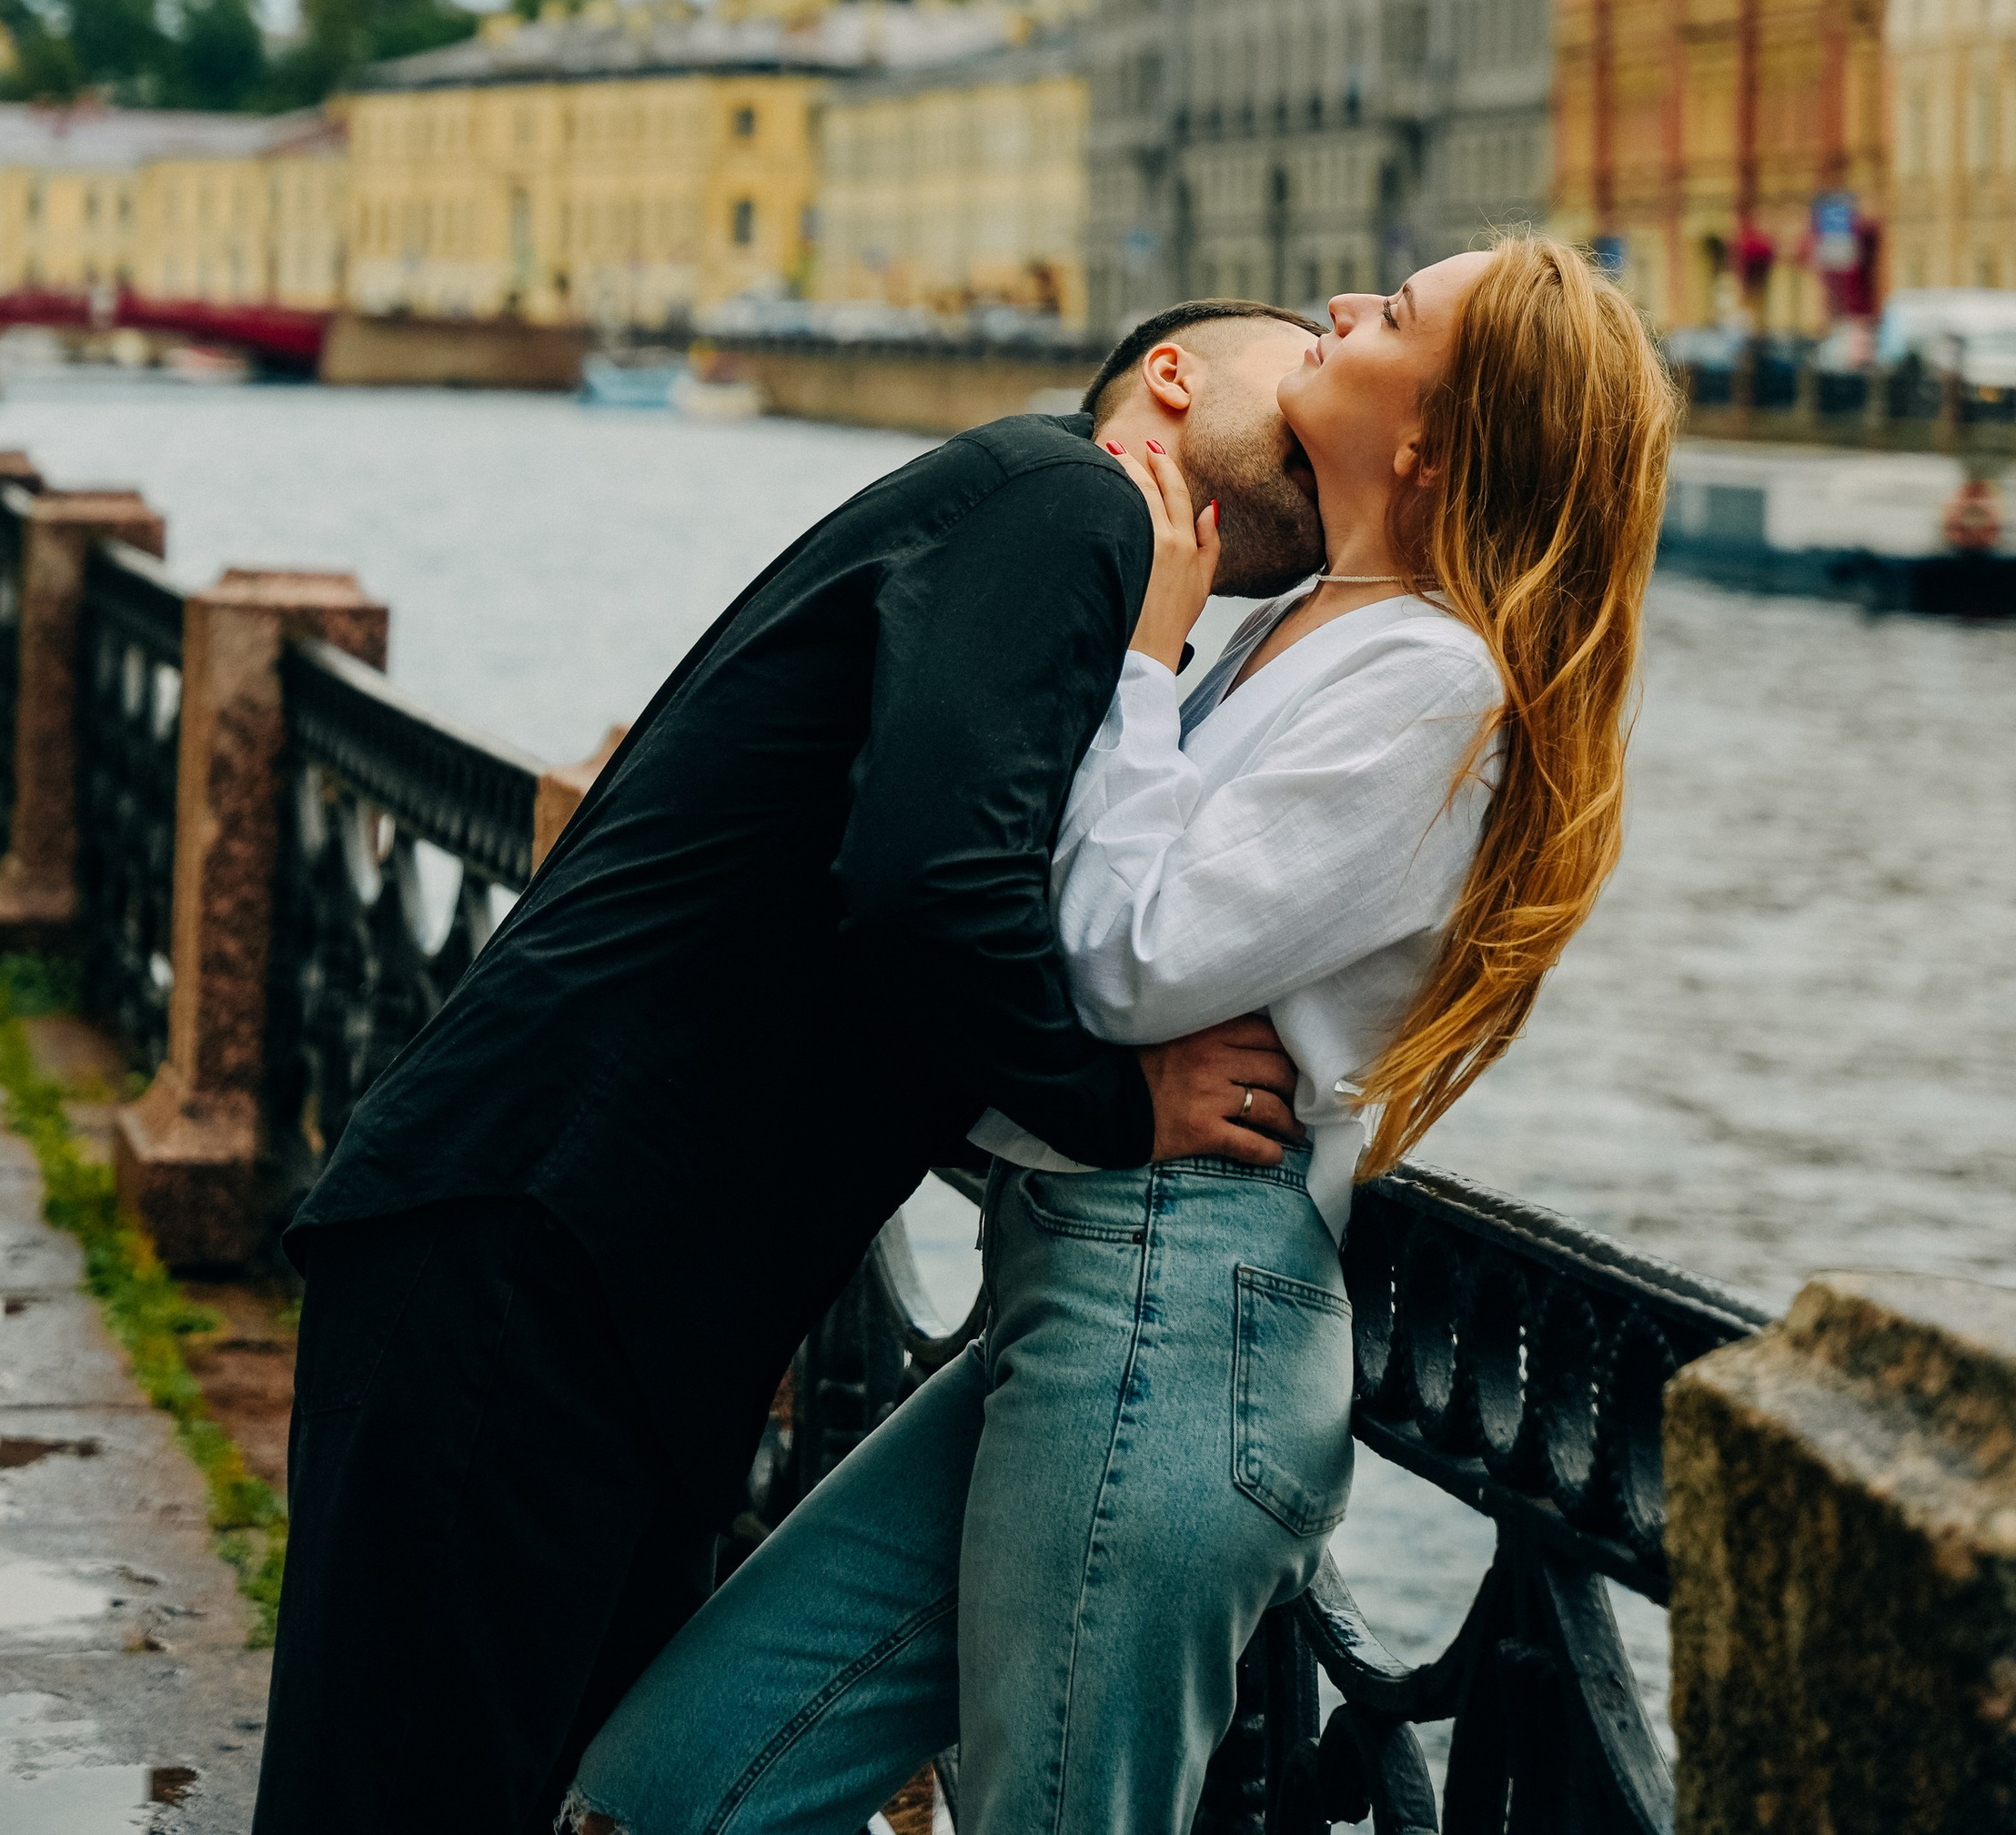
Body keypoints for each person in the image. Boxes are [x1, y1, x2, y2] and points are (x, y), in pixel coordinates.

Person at [567, 235, 1677, 1835]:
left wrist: (1145, 653)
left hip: (1180, 1303)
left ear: (1434, 440)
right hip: (1083, 1284)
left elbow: (1116, 962)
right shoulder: (1309, 630)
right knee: (671, 1791)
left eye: (1395, 312)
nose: (1343, 308)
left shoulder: (1438, 687)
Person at [250, 297, 1333, 1835]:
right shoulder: (1073, 495)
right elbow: (926, 883)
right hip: (534, 1245)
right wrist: (1119, 1105)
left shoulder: (1067, 553)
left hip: (597, 1268)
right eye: (1308, 366)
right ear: (1175, 375)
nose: (1334, 394)